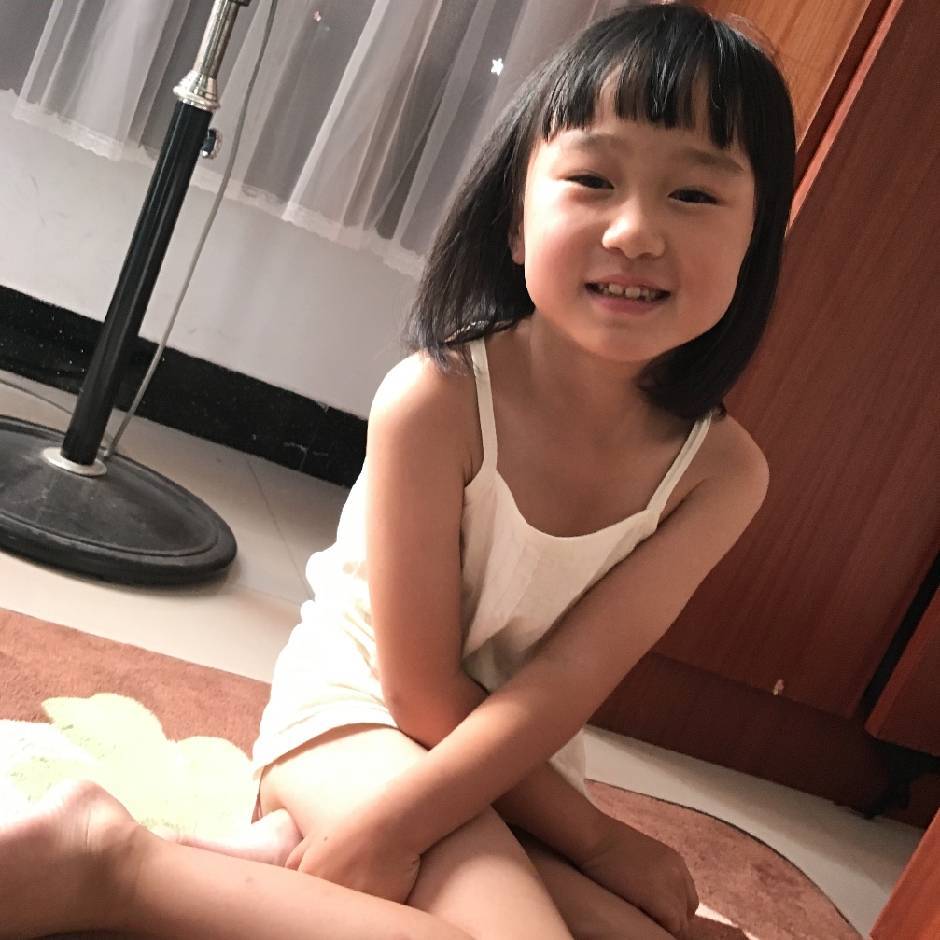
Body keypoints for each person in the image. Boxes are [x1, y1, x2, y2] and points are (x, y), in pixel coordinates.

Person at [0, 3, 795, 938]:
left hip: (506, 759)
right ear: (514, 222)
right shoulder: (437, 397)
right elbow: (419, 691)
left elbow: (561, 688)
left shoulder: (721, 475)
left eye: (693, 195)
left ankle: (265, 863)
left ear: (757, 240)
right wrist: (569, 839)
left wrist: (584, 841)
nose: (634, 232)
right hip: (357, 710)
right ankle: (106, 863)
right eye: (591, 179)